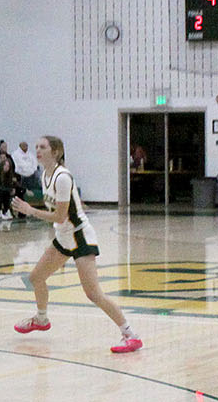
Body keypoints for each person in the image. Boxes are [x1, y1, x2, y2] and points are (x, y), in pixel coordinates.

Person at [9, 137, 143, 353]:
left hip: (80, 236)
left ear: (56, 152)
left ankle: (131, 335)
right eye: (37, 147)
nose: (38, 150)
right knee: (36, 278)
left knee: (93, 293)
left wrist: (30, 211)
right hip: (63, 236)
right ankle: (41, 319)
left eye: (43, 147)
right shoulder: (45, 175)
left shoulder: (63, 177)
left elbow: (60, 216)